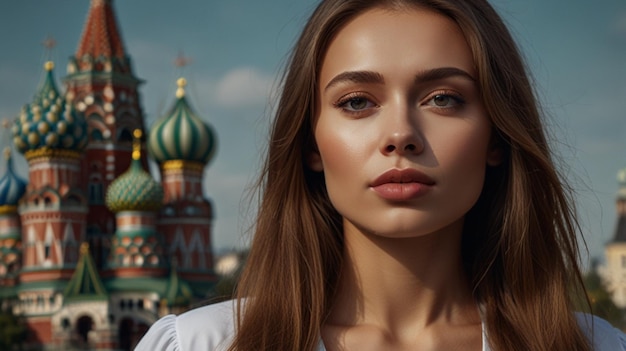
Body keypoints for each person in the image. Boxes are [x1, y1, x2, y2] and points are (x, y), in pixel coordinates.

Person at [136, 0, 626, 350]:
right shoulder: (203, 344)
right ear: (311, 144)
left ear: (496, 136)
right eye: (356, 102)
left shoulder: (592, 346)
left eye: (443, 98)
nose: (400, 134)